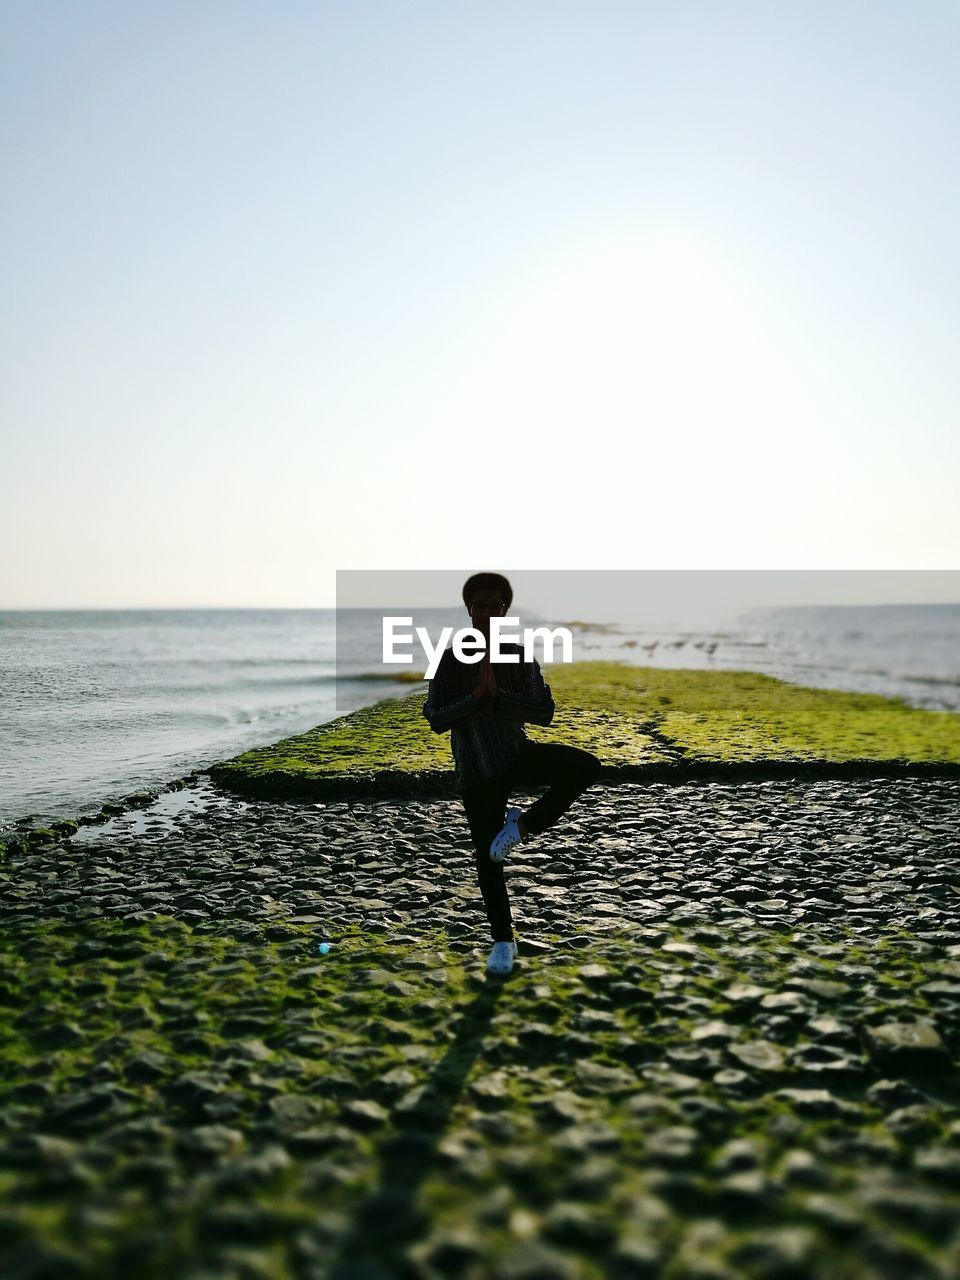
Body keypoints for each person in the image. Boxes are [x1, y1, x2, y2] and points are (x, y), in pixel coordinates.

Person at [422, 572, 602, 976]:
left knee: (585, 765)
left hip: (517, 754)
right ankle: (503, 940)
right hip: (476, 770)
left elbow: (544, 712)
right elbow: (435, 717)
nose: (486, 611)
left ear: (505, 610)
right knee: (489, 859)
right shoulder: (450, 660)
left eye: (495, 605)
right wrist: (473, 699)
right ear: (469, 609)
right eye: (479, 605)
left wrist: (501, 698)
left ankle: (523, 825)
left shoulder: (517, 655)